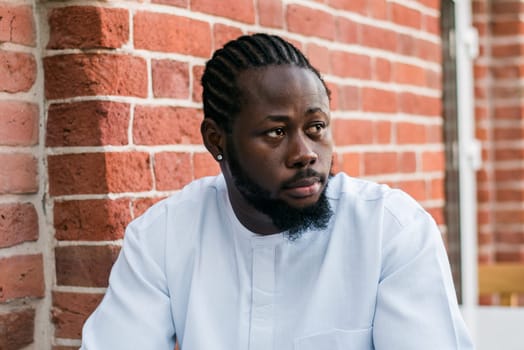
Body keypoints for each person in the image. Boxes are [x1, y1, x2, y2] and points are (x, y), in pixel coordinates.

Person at [81, 33, 474, 349]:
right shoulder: (163, 237)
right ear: (217, 140)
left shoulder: (390, 229)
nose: (305, 154)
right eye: (277, 132)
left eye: (316, 128)